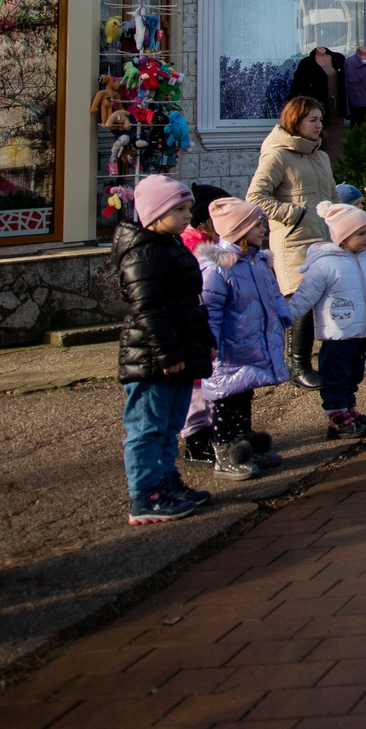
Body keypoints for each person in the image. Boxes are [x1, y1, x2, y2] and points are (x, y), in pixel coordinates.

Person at [114, 176, 215, 525]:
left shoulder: (170, 245)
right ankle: (144, 495)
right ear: (155, 212)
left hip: (179, 351)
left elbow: (192, 302)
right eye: (179, 209)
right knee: (147, 427)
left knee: (170, 425)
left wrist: (205, 342)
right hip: (153, 358)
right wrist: (168, 354)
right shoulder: (143, 252)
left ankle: (167, 483)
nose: (189, 214)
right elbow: (148, 309)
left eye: (188, 208)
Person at [192, 198, 288, 480]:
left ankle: (245, 440)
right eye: (256, 225)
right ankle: (225, 451)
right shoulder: (218, 269)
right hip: (229, 351)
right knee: (226, 400)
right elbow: (210, 312)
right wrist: (211, 343)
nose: (263, 229)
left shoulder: (256, 261)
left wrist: (283, 316)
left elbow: (273, 293)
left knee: (244, 394)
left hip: (249, 345)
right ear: (238, 230)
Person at [248, 95, 338, 387]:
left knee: (325, 300)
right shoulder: (276, 155)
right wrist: (295, 215)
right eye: (312, 119)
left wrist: (343, 218)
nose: (319, 125)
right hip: (294, 242)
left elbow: (332, 194)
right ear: (294, 121)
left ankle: (328, 359)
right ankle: (298, 367)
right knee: (301, 304)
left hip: (324, 239)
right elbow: (255, 198)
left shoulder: (320, 155)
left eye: (320, 119)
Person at [289, 200, 366, 435]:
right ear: (343, 236)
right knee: (335, 377)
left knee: (353, 375)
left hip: (360, 334)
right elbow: (304, 298)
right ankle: (336, 417)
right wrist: (282, 318)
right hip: (336, 336)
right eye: (361, 233)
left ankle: (348, 407)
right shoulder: (325, 265)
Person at [287, 45, 350, 158]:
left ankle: (331, 173)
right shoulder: (307, 63)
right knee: (314, 144)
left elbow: (348, 82)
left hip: (336, 109)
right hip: (316, 110)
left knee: (334, 146)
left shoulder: (339, 59)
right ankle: (315, 172)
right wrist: (291, 111)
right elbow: (296, 88)